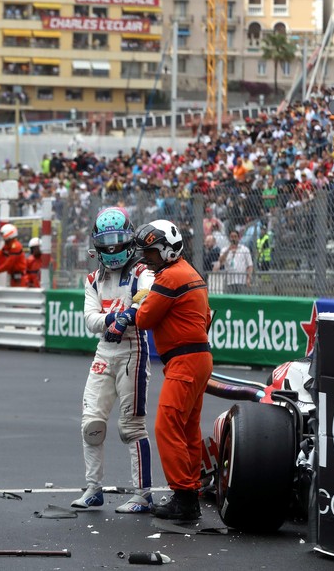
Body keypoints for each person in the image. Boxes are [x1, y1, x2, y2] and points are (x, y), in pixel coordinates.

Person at [107, 219, 212, 520]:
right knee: (187, 428)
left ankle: (184, 496)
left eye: (150, 253)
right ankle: (189, 493)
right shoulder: (188, 272)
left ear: (167, 250)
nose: (145, 258)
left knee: (166, 427)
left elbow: (145, 319)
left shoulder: (168, 278)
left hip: (185, 360)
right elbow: (204, 318)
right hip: (198, 357)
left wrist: (142, 300)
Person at [71, 207, 155, 514]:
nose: (111, 247)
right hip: (105, 350)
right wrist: (117, 317)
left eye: (118, 239)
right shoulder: (93, 279)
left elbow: (148, 299)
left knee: (131, 427)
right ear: (96, 244)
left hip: (134, 349)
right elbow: (90, 320)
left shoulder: (142, 271)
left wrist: (124, 319)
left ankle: (143, 494)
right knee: (91, 422)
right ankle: (93, 488)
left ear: (129, 239)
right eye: (106, 241)